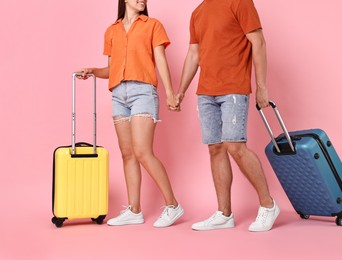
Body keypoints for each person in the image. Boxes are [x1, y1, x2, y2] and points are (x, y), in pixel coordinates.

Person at [76, 0, 184, 228]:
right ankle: (135, 210)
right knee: (127, 154)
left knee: (143, 151)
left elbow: (161, 60)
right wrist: (93, 71)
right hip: (118, 94)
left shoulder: (152, 25)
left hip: (143, 92)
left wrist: (170, 93)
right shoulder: (112, 30)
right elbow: (111, 68)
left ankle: (173, 205)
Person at [176, 0, 279, 232]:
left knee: (235, 146)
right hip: (205, 92)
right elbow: (193, 54)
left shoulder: (240, 2)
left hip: (233, 88)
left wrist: (261, 86)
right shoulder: (198, 12)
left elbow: (258, 41)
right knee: (215, 148)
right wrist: (181, 91)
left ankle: (268, 204)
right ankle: (224, 214)